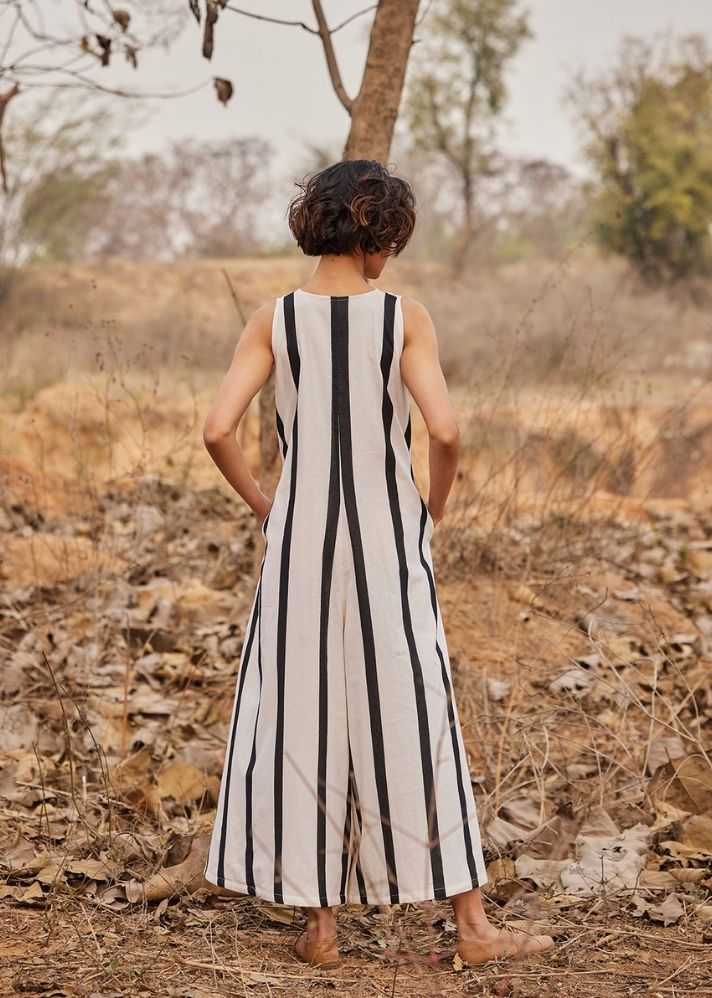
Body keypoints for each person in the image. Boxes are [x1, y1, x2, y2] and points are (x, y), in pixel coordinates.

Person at [201, 159, 554, 969]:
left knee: (305, 712)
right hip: (389, 543)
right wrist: (432, 506)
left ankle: (320, 930)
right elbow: (447, 431)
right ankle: (472, 927)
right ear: (380, 235)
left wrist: (267, 507)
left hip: (297, 548)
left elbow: (219, 428)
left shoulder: (273, 318)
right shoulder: (403, 319)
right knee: (416, 708)